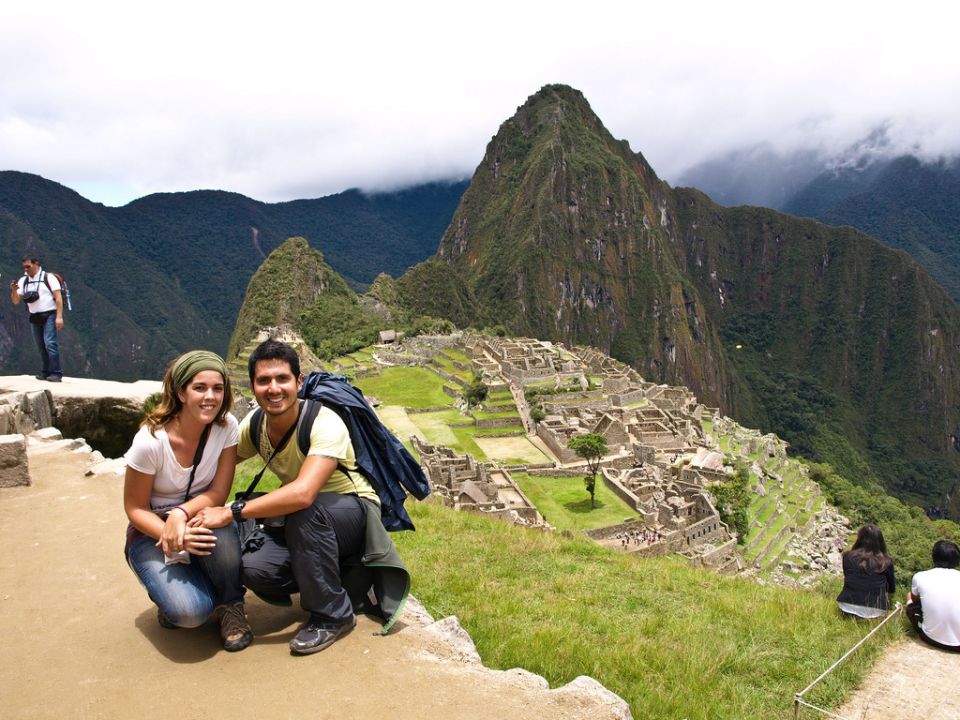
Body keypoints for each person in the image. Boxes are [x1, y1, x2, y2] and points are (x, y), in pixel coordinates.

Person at [193, 339, 410, 655]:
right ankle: (329, 579)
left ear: (298, 382)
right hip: (306, 521)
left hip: (352, 512)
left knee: (305, 509)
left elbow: (304, 493)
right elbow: (214, 464)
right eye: (263, 381)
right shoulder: (255, 425)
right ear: (252, 386)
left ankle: (332, 615)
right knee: (254, 567)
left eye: (282, 379)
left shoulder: (323, 422)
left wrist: (233, 511)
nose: (274, 388)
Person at [123, 350, 252, 652]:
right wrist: (170, 530)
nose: (210, 397)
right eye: (200, 388)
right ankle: (189, 593)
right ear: (181, 392)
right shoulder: (150, 442)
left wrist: (181, 514)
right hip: (152, 531)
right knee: (191, 614)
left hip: (198, 518)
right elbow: (135, 508)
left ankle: (231, 602)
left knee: (218, 522)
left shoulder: (226, 427)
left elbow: (219, 492)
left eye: (218, 388)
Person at [9, 255, 64, 381]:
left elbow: (58, 297)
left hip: (50, 314)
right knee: (40, 345)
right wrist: (14, 290)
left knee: (50, 343)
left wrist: (59, 316)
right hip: (34, 316)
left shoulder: (48, 278)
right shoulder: (24, 280)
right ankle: (46, 372)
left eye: (28, 266)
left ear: (36, 264)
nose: (26, 269)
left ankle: (56, 373)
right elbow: (16, 301)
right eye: (24, 267)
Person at [906, 540, 960, 652]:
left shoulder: (920, 576)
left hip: (931, 638)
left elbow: (915, 600)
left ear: (933, 557)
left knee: (910, 596)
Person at [836, 524, 896, 619]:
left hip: (846, 605)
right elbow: (891, 589)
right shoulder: (886, 562)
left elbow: (849, 578)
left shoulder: (847, 556)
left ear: (859, 539)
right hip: (876, 609)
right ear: (880, 541)